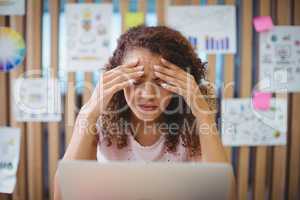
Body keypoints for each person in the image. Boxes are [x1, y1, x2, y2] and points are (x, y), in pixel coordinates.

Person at [54, 25, 236, 200]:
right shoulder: (100, 124)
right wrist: (88, 112)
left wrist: (205, 115)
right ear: (118, 81)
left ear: (178, 85)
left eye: (160, 81)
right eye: (136, 80)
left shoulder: (191, 128)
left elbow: (224, 196)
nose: (148, 94)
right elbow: (63, 196)